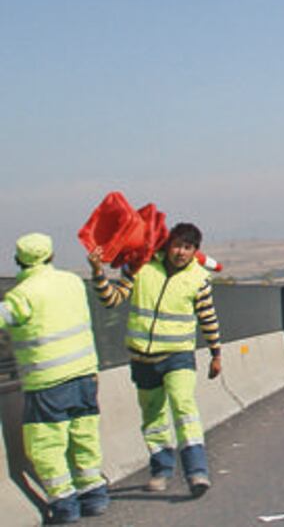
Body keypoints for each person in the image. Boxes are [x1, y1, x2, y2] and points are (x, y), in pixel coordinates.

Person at [88, 222, 222, 497]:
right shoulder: (141, 267)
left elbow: (208, 318)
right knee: (153, 416)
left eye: (188, 247)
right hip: (142, 358)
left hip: (178, 356)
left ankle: (197, 472)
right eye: (177, 245)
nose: (181, 252)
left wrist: (215, 353)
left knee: (184, 407)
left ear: (195, 251)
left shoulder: (199, 279)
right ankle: (161, 470)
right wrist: (98, 272)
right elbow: (112, 300)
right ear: (167, 245)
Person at [0, 233, 109, 523]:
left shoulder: (22, 295)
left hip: (47, 381)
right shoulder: (73, 282)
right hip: (85, 374)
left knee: (46, 444)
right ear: (52, 256)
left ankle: (64, 505)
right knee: (84, 436)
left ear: (18, 260)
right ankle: (95, 496)